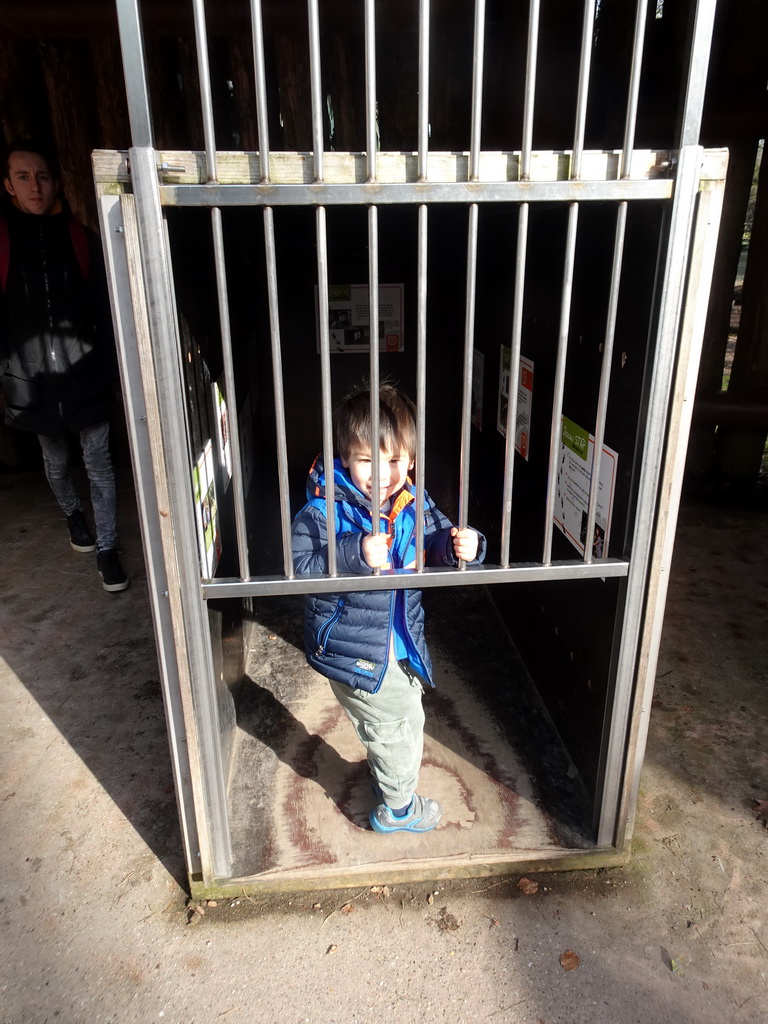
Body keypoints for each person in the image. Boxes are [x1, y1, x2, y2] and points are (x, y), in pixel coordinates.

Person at [291, 383, 486, 833]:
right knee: (400, 723)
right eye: (367, 460)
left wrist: (462, 546)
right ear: (345, 458)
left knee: (394, 717)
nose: (382, 473)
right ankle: (398, 808)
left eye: (395, 460)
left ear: (411, 459)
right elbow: (300, 567)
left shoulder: (411, 502)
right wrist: (355, 552)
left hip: (396, 639)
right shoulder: (324, 510)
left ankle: (387, 768)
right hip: (354, 645)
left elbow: (434, 539)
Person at [0, 139, 128, 592]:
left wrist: (111, 370)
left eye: (43, 176)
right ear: (8, 185)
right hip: (30, 380)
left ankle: (108, 549)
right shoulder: (1, 241)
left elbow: (105, 308)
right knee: (55, 462)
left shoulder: (79, 238)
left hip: (84, 374)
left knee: (99, 463)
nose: (34, 186)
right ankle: (74, 516)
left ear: (56, 183)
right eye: (23, 176)